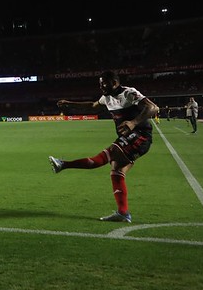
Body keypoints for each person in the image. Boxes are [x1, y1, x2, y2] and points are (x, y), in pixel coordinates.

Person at [50, 70, 159, 223]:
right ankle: (123, 213)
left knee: (108, 154)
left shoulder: (129, 93)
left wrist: (133, 123)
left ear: (115, 83)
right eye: (100, 84)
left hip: (140, 136)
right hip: (127, 138)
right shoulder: (106, 97)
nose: (101, 87)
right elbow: (93, 106)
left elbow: (153, 108)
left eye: (104, 84)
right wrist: (70, 103)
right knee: (116, 171)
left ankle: (63, 164)